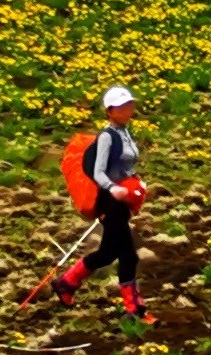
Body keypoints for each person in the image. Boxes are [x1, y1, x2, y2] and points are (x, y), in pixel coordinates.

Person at [44, 81, 147, 320]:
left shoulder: (125, 132)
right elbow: (98, 172)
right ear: (110, 110)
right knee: (128, 255)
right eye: (122, 106)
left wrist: (136, 183)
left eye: (130, 104)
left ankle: (67, 283)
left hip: (121, 201)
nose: (128, 109)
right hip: (109, 201)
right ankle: (135, 310)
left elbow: (123, 167)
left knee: (108, 252)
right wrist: (113, 189)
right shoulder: (107, 137)